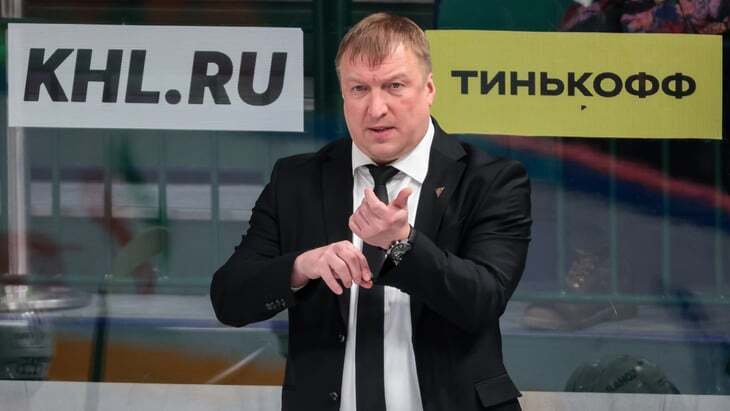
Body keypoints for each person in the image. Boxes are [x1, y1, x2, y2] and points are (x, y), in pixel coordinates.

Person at [211, 12, 531, 411]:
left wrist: (402, 245)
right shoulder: (297, 180)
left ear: (429, 89)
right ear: (343, 95)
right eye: (359, 88)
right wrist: (302, 267)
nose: (376, 108)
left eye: (395, 86)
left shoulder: (490, 180)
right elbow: (229, 298)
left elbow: (483, 300)